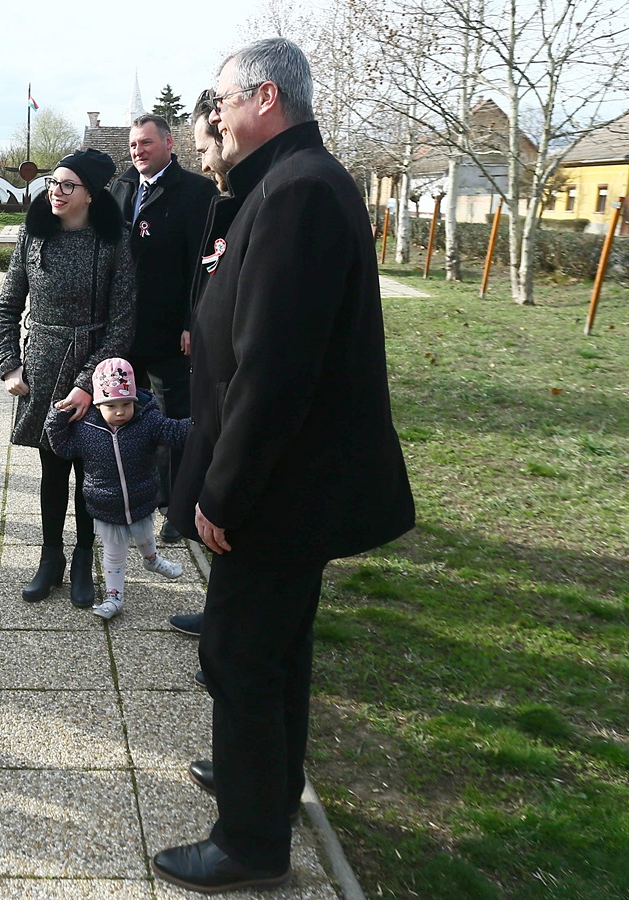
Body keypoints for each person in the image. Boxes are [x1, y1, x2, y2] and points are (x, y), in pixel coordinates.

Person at [154, 39, 416, 892]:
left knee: (240, 654)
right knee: (274, 654)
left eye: (223, 101)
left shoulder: (300, 190)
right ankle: (258, 783)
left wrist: (224, 492)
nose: (216, 118)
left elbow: (276, 368)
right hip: (287, 481)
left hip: (277, 488)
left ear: (265, 97)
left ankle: (250, 843)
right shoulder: (283, 181)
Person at [0, 148, 135, 610]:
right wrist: (10, 365)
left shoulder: (115, 241)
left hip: (95, 371)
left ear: (91, 194)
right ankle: (49, 556)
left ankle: (82, 558)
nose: (56, 191)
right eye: (54, 182)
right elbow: (7, 306)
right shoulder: (32, 237)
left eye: (68, 185)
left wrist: (89, 383)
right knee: (51, 468)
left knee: (91, 472)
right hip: (41, 370)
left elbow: (122, 324)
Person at [107, 115, 218, 546]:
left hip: (172, 329)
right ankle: (142, 494)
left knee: (175, 419)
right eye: (133, 145)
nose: (138, 151)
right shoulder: (121, 189)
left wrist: (194, 321)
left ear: (169, 143)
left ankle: (179, 506)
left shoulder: (196, 192)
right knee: (128, 412)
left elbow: (205, 265)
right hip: (125, 328)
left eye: (146, 143)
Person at [167, 89, 236, 640]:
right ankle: (220, 610)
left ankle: (227, 623)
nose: (202, 158)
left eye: (203, 147)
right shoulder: (224, 193)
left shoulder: (242, 198)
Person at [44, 358, 188, 620]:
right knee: (114, 554)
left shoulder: (147, 422)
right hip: (106, 506)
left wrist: (201, 423)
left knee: (145, 536)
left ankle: (152, 559)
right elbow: (63, 449)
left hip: (141, 499)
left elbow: (175, 432)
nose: (120, 411)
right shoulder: (86, 430)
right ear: (97, 404)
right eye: (111, 405)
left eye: (126, 404)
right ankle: (114, 596)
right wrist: (57, 418)